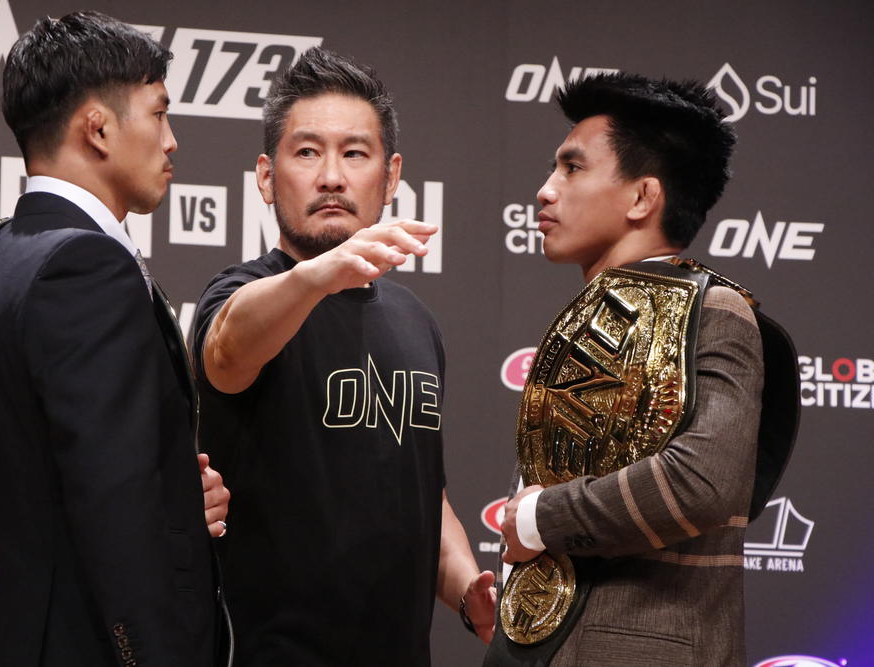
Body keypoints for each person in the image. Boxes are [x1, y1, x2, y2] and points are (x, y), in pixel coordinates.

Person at [191, 46, 495, 665]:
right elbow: (226, 350)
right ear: (266, 176)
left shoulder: (417, 322)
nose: (331, 177)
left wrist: (469, 591)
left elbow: (424, 499)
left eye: (355, 154)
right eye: (307, 152)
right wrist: (319, 275)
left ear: (392, 175)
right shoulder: (240, 294)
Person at [486, 73, 794, 666]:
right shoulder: (597, 312)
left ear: (641, 198)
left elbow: (704, 483)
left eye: (572, 168)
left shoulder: (716, 310)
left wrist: (539, 518)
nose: (545, 191)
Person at [0, 12, 228, 666]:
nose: (172, 141)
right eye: (159, 114)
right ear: (98, 128)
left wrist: (174, 496)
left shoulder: (0, 256)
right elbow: (114, 505)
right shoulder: (86, 266)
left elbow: (64, 470)